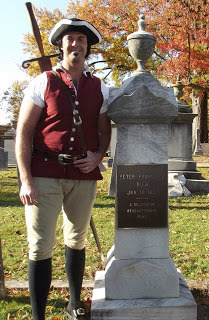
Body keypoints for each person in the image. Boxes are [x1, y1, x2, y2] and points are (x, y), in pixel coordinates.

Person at [15, 17, 111, 320]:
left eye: (81, 40)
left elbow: (104, 129)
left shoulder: (100, 87)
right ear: (61, 46)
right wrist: (26, 180)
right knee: (41, 245)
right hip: (44, 173)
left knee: (77, 239)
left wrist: (98, 156)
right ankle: (39, 315)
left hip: (83, 175)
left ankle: (74, 303)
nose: (76, 44)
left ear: (88, 48)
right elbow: (24, 132)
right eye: (70, 39)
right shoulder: (43, 81)